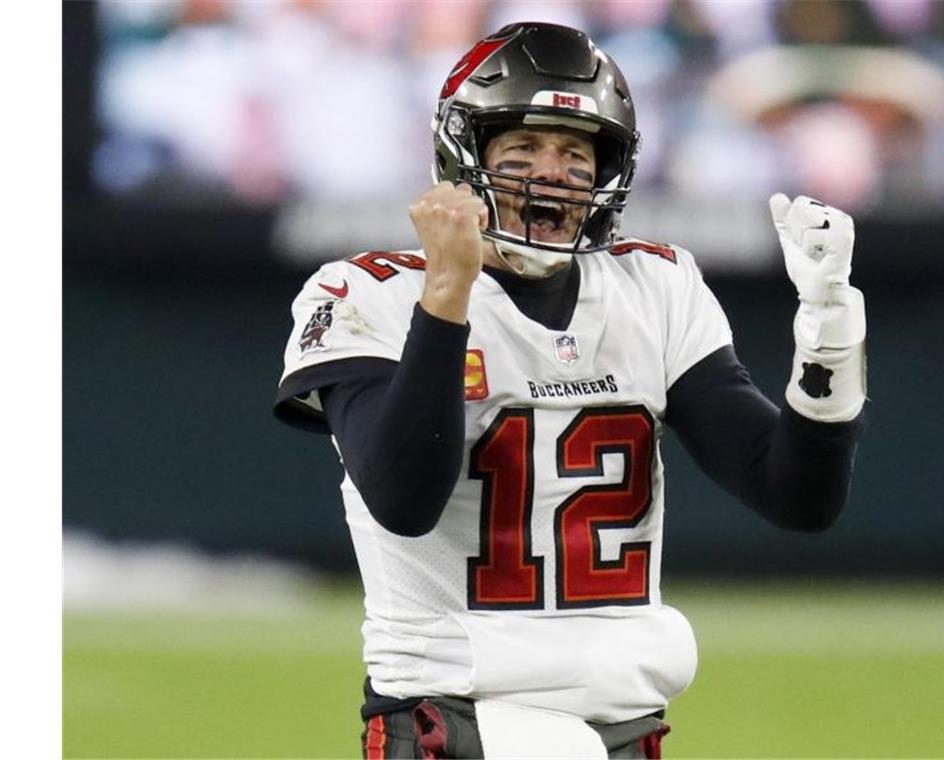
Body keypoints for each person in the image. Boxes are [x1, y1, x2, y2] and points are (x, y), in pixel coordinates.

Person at [274, 21, 866, 759]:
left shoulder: (654, 285)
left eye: (576, 153)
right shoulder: (370, 292)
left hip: (623, 721)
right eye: (521, 150)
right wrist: (448, 293)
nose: (551, 173)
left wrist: (830, 347)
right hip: (457, 717)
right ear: (466, 157)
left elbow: (796, 497)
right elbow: (402, 498)